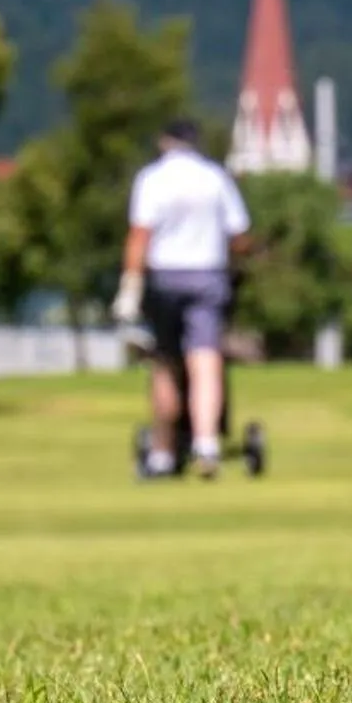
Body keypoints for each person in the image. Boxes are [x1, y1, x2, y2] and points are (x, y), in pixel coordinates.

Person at [113, 117, 252, 479]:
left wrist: (130, 283)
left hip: (164, 277)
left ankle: (162, 453)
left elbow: (140, 235)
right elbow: (239, 235)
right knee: (205, 361)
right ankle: (206, 444)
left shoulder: (152, 179)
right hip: (208, 274)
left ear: (165, 142)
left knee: (165, 364)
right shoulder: (215, 178)